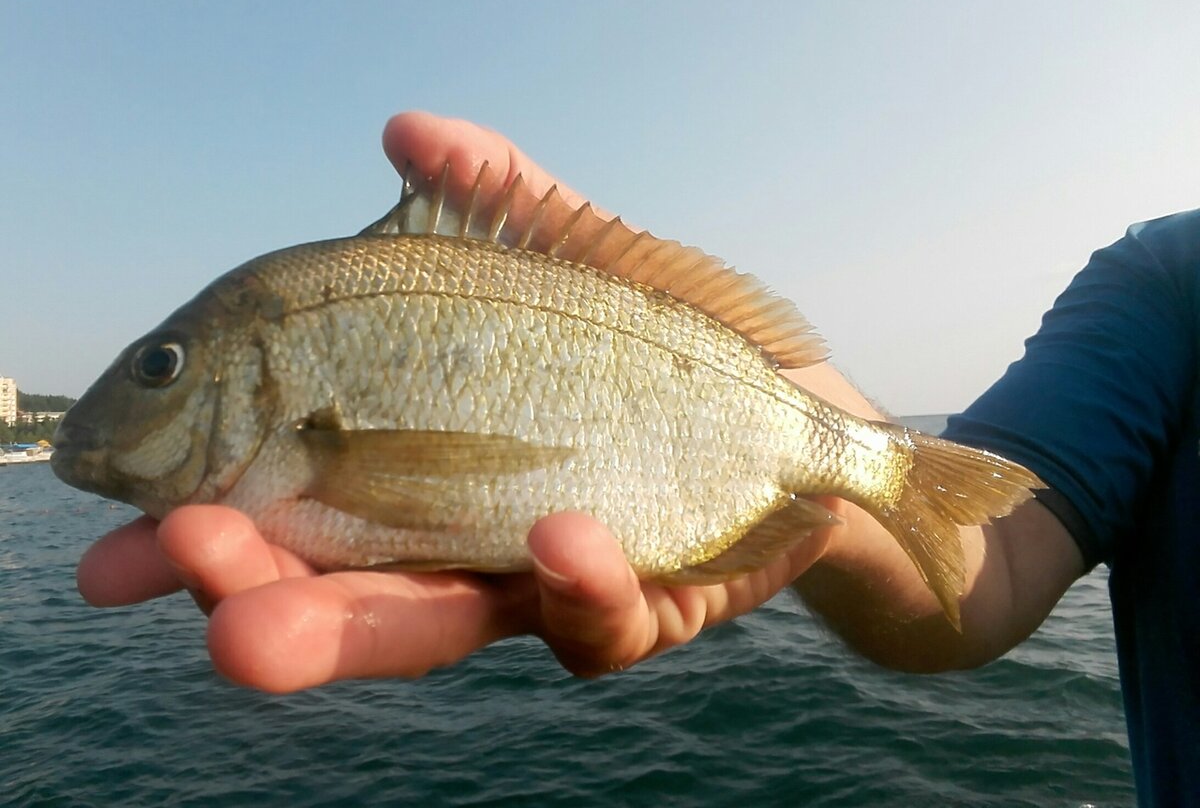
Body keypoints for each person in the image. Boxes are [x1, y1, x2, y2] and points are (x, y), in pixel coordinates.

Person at [75, 112, 1196, 805]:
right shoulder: (1165, 283)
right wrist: (851, 471)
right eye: (160, 365)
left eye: (162, 367)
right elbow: (989, 569)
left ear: (251, 374)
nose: (135, 394)